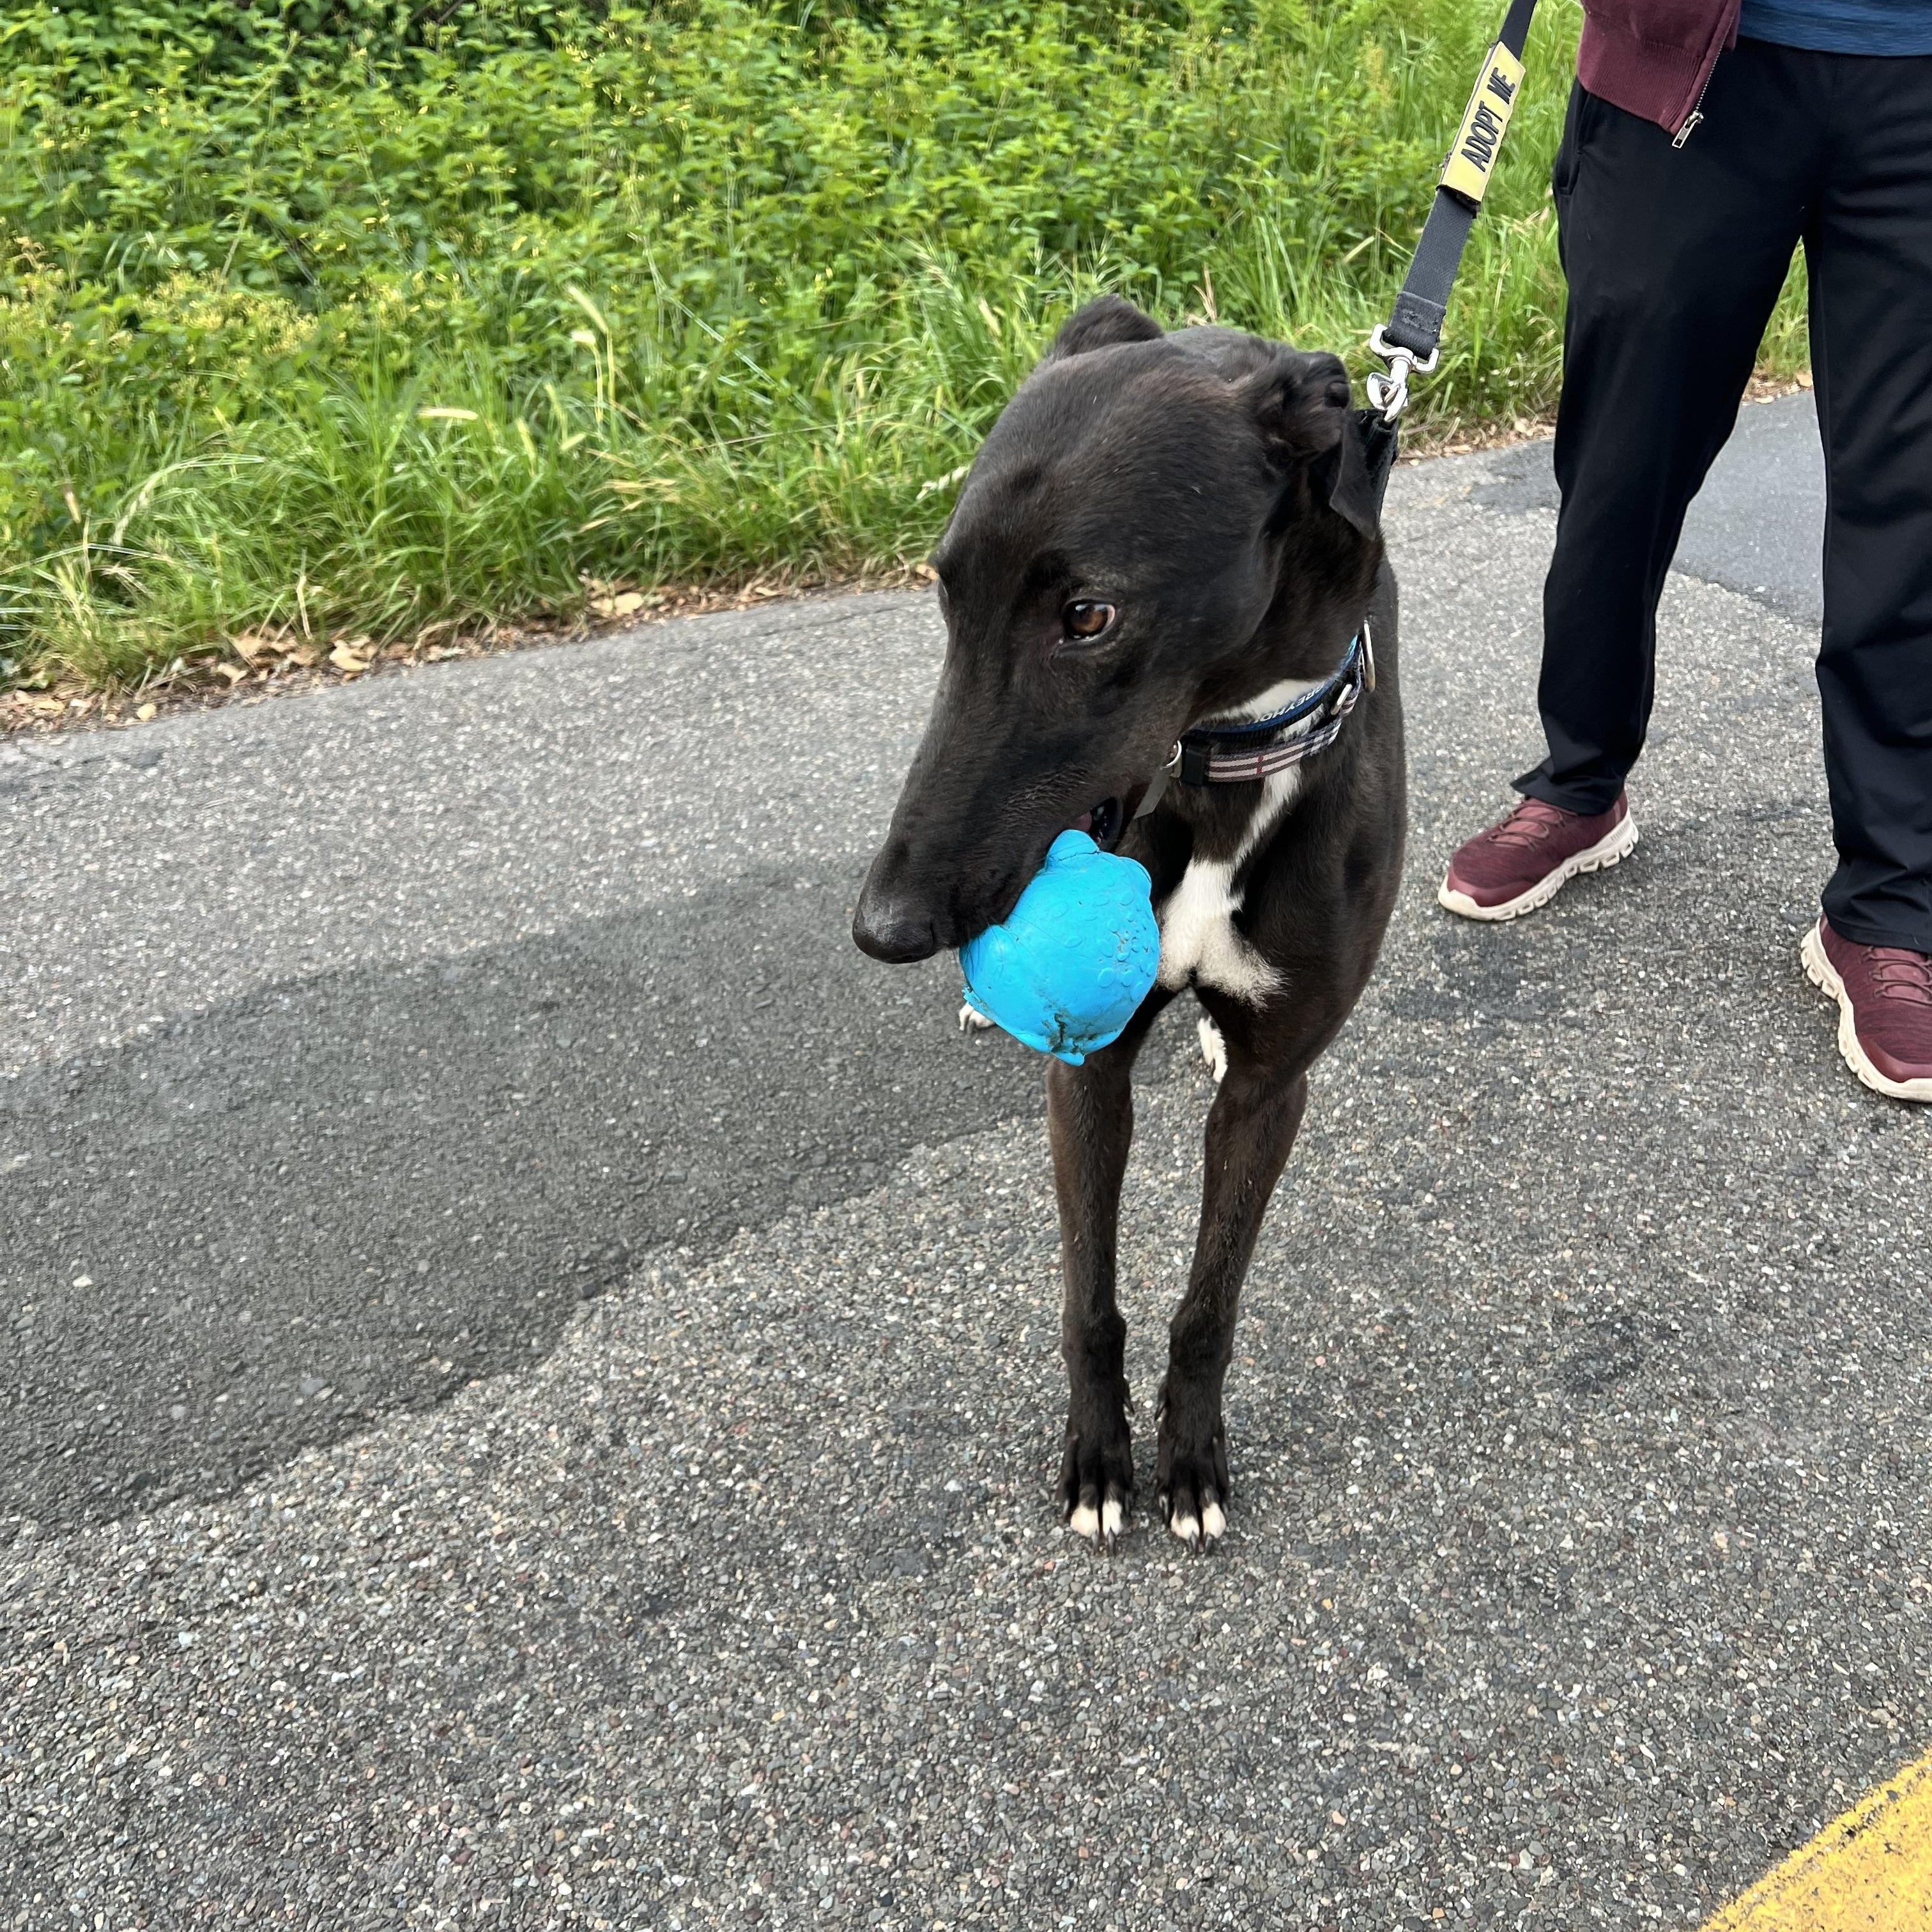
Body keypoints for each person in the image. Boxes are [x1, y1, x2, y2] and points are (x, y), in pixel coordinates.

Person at [1436, 0, 1932, 1103]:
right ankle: (1579, 781)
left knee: (1914, 503)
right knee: (1621, 467)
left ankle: (1893, 906)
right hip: (1687, 70)